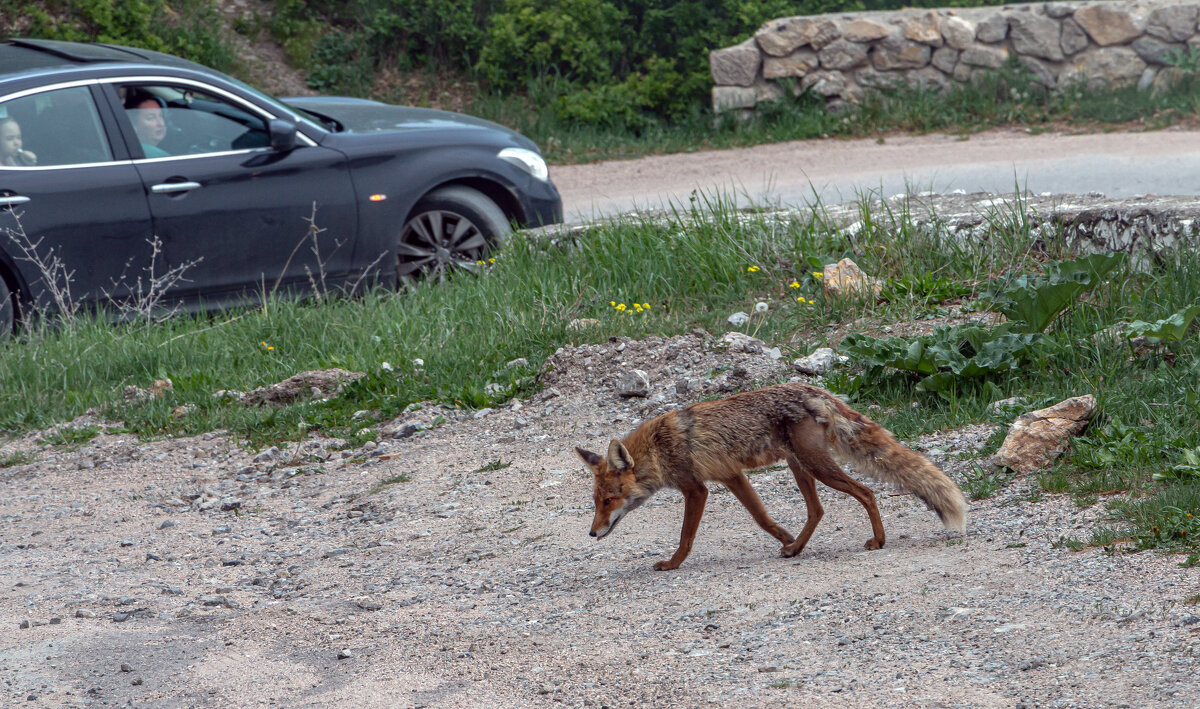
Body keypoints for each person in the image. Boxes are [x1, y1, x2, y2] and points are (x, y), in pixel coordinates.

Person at [123, 91, 170, 158]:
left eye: (161, 116)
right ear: (134, 125)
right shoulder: (159, 157)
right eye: (151, 118)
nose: (161, 123)